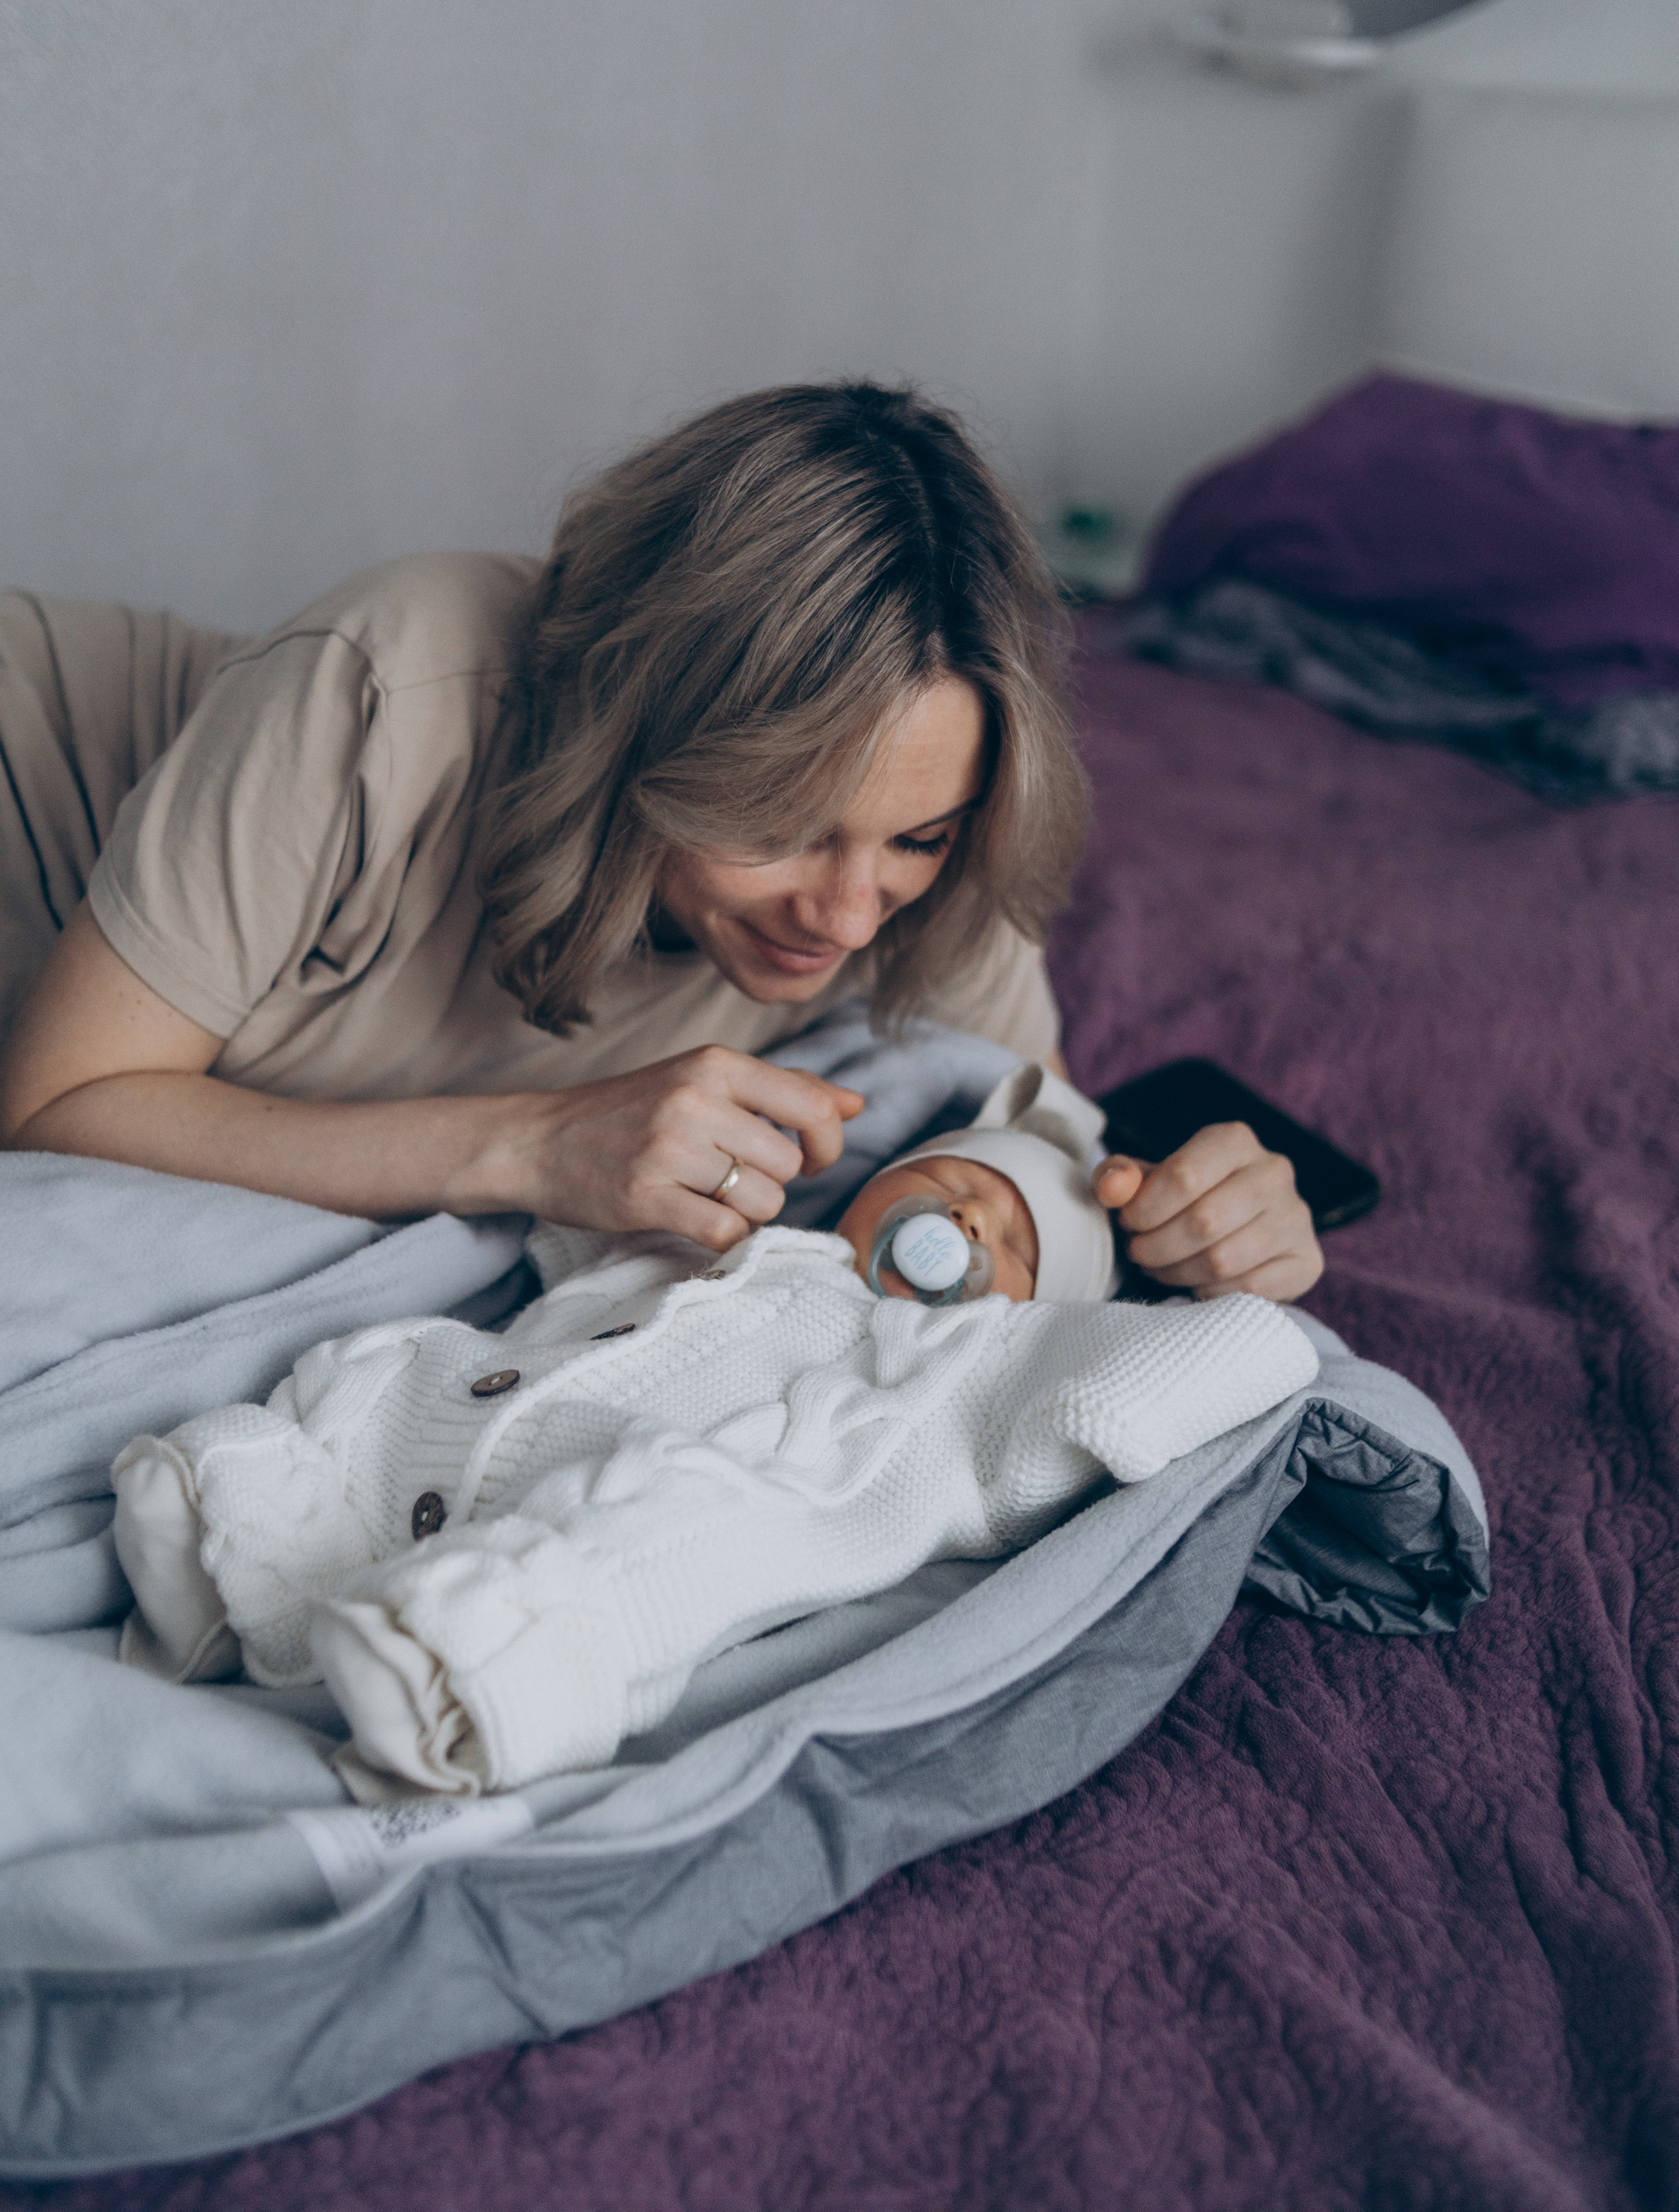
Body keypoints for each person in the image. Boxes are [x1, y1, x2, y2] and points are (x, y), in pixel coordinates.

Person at [0, 380, 1321, 1299]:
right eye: (784, 828)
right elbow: (59, 1110)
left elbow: (1035, 1151)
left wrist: (1203, 1228)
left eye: (913, 836)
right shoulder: (396, 678)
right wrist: (528, 1147)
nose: (852, 915)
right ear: (638, 734)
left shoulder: (934, 855)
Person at [109, 1063, 1319, 1793]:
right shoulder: (743, 1240)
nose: (967, 1220)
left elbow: (1124, 1370)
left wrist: (1250, 1324)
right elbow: (588, 1210)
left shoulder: (939, 1368)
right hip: (489, 1407)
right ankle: (262, 1560)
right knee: (384, 1377)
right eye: (955, 1182)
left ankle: (481, 1673)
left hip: (653, 1493)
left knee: (657, 1546)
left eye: (1012, 1246)